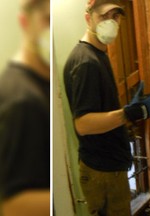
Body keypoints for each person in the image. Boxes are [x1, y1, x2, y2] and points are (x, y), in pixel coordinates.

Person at [63, 0, 150, 215]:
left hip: (109, 167)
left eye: (115, 16)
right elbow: (83, 124)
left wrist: (126, 110)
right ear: (88, 18)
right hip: (101, 171)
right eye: (104, 16)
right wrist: (127, 113)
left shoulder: (98, 55)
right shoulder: (86, 62)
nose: (111, 22)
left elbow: (97, 110)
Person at [0, 0, 50, 216]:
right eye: (47, 20)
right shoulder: (22, 100)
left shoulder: (42, 82)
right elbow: (12, 205)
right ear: (24, 22)